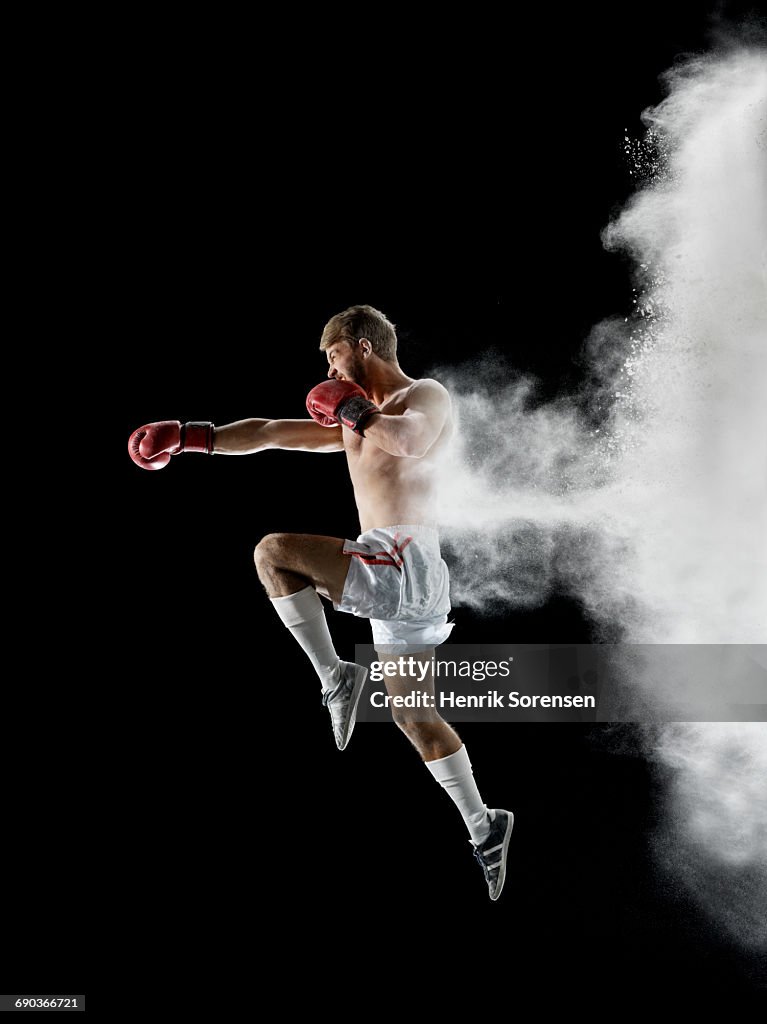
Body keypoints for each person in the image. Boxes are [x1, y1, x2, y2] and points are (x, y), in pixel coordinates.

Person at [128, 304, 514, 900]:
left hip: (403, 560)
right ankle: (485, 826)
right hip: (403, 583)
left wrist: (352, 408)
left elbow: (409, 443)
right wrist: (189, 438)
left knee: (272, 552)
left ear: (360, 346)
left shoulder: (423, 395)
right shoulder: (351, 422)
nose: (329, 368)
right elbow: (268, 433)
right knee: (414, 719)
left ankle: (335, 676)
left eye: (331, 355)